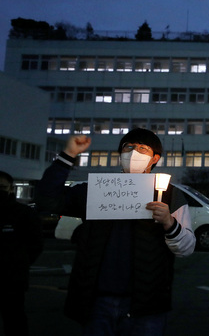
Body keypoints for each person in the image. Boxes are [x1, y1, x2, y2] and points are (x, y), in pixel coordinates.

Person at [36, 128, 195, 335]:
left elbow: (186, 248)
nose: (133, 153)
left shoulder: (170, 195)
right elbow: (47, 199)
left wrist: (169, 222)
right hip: (96, 301)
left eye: (142, 149)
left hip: (146, 303)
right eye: (128, 147)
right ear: (120, 154)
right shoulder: (97, 190)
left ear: (154, 158)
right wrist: (68, 155)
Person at [0, 171, 43, 336]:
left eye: (2, 187)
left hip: (12, 280)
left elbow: (35, 244)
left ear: (11, 188)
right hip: (15, 276)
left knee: (14, 321)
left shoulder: (23, 213)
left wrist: (18, 264)